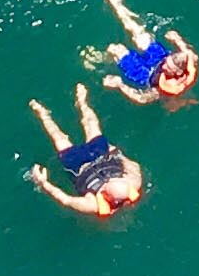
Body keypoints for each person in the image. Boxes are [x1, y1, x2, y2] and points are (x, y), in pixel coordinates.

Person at [26, 80, 146, 219]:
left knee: (59, 138)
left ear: (107, 196)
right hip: (103, 156)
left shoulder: (92, 204)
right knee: (92, 125)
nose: (107, 180)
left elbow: (66, 200)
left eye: (107, 185)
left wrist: (43, 183)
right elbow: (134, 166)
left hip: (78, 166)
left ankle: (43, 114)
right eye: (115, 179)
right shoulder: (134, 182)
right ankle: (82, 103)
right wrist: (118, 153)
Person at [88, 0, 199, 105]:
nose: (164, 66)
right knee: (140, 35)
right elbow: (188, 53)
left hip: (146, 75)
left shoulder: (163, 89)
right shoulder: (186, 60)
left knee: (116, 49)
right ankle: (118, 6)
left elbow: (141, 98)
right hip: (158, 57)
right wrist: (177, 39)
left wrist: (119, 84)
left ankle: (101, 60)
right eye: (167, 61)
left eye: (168, 67)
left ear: (177, 72)